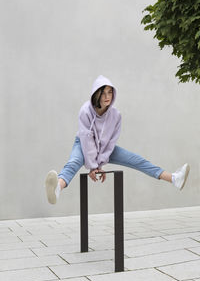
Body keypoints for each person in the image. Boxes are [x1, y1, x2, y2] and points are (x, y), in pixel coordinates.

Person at [45, 75, 190, 204]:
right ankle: (58, 187)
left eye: (110, 92)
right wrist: (93, 166)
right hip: (83, 144)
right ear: (97, 95)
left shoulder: (116, 115)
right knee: (74, 162)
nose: (107, 96)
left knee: (137, 160)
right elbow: (86, 140)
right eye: (103, 93)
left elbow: (111, 142)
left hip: (105, 148)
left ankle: (174, 178)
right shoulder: (85, 111)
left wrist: (100, 162)